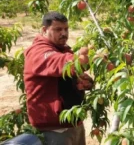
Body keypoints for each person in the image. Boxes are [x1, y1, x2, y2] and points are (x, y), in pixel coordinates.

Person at [23, 12, 93, 145]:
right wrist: (87, 59)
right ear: (44, 30)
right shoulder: (38, 52)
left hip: (74, 124)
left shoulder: (63, 49)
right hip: (54, 130)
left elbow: (67, 75)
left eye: (66, 29)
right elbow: (61, 63)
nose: (64, 33)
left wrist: (83, 82)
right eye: (58, 29)